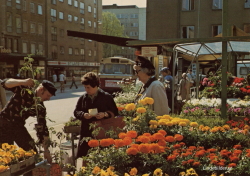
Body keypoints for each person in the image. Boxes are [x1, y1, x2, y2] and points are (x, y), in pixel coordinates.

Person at [0, 78, 57, 167]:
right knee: (6, 157)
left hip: (18, 127)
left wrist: (46, 151)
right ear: (41, 90)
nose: (48, 99)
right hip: (3, 125)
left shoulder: (40, 108)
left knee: (32, 153)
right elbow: (4, 83)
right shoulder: (25, 91)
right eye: (48, 95)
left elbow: (42, 129)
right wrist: (23, 81)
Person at [74, 72, 118, 159]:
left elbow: (115, 112)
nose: (86, 89)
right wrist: (83, 115)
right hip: (86, 131)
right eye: (85, 87)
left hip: (102, 131)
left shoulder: (106, 97)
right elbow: (76, 111)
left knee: (101, 157)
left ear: (95, 86)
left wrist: (105, 114)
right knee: (85, 157)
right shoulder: (83, 98)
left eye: (88, 87)